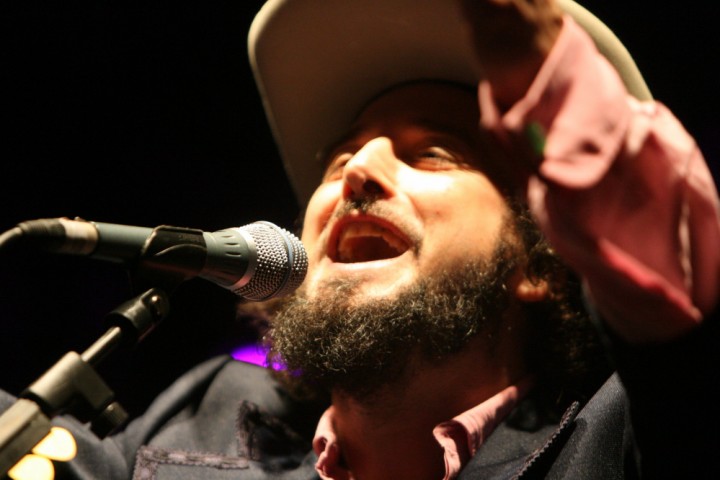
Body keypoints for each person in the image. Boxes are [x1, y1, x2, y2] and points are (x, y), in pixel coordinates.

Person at [1, 0, 718, 478]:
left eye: (434, 153)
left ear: (539, 262)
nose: (360, 173)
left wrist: (558, 94)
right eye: (340, 160)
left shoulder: (618, 441)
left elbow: (674, 293)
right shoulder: (212, 420)